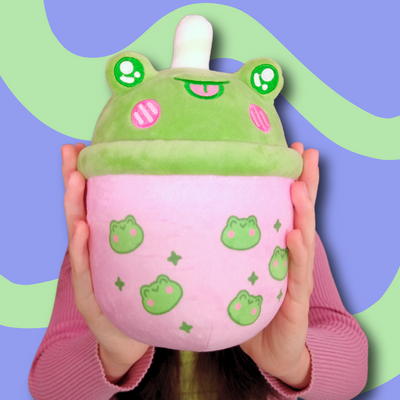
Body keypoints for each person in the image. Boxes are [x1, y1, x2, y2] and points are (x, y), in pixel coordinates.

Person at [28, 142, 368, 400]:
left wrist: (292, 362)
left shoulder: (275, 238)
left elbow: (353, 368)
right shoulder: (111, 244)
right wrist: (114, 355)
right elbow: (47, 386)